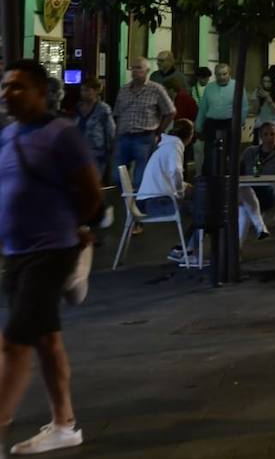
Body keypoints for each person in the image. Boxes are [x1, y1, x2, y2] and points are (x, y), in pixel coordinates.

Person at [0, 60, 102, 455]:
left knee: (14, 341)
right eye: (6, 86)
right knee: (45, 339)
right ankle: (64, 424)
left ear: (42, 92)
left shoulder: (61, 135)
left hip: (49, 252)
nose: (9, 93)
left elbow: (91, 193)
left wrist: (70, 229)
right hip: (17, 253)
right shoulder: (8, 136)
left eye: (19, 87)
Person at [135, 119, 200, 262]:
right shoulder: (175, 146)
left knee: (197, 200)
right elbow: (175, 171)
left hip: (148, 200)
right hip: (153, 202)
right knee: (200, 211)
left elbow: (167, 176)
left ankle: (184, 249)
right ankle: (184, 251)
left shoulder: (167, 145)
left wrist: (183, 187)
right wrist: (181, 192)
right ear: (190, 136)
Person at [113, 57, 174, 189]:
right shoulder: (124, 90)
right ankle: (126, 202)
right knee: (117, 176)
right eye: (133, 68)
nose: (135, 71)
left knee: (140, 179)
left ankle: (139, 204)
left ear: (147, 71)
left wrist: (159, 130)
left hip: (144, 137)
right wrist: (117, 132)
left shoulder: (156, 89)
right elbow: (117, 113)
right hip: (124, 136)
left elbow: (170, 111)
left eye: (139, 68)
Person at [238, 122, 275, 243]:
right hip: (248, 190)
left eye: (272, 134)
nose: (269, 138)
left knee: (244, 207)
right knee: (244, 197)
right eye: (266, 134)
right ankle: (259, 228)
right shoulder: (250, 152)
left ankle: (237, 249)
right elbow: (237, 171)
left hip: (269, 193)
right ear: (260, 136)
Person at [195, 63, 245, 174]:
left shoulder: (237, 86)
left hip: (230, 123)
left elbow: (244, 107)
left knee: (231, 155)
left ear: (229, 73)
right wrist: (198, 126)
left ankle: (229, 180)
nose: (222, 77)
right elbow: (203, 108)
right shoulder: (209, 87)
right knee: (209, 155)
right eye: (219, 74)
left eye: (224, 74)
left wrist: (239, 124)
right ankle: (208, 181)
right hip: (212, 123)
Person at [75, 78, 115, 184]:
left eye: (87, 90)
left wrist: (109, 151)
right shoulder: (79, 107)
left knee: (93, 182)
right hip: (80, 151)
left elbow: (110, 131)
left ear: (96, 91)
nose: (84, 93)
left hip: (96, 152)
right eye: (82, 90)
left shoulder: (103, 109)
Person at [250, 70, 275, 138]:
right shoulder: (258, 91)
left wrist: (269, 99)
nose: (266, 84)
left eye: (269, 81)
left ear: (273, 82)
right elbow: (255, 111)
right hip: (260, 123)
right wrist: (257, 99)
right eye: (264, 81)